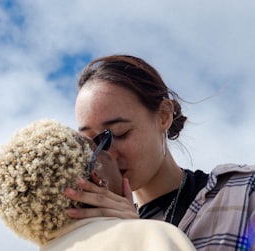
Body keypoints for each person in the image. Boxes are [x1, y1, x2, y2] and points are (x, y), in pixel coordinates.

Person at [65, 54, 255, 251]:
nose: (107, 155)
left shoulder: (244, 191)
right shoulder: (94, 238)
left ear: (164, 116)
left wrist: (140, 237)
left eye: (119, 133)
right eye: (93, 143)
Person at [0, 119, 196, 251]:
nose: (113, 154)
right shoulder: (149, 238)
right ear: (97, 178)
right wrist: (136, 228)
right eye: (102, 145)